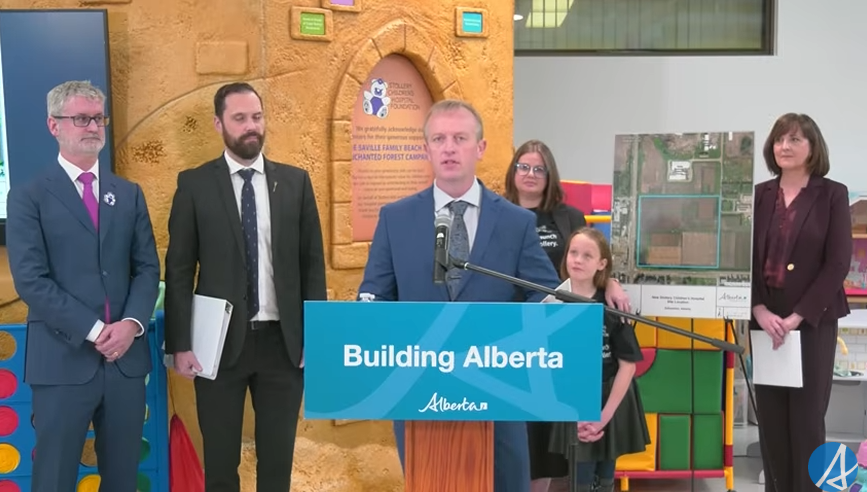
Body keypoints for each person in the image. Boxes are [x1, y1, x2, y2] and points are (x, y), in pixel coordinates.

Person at [357, 99, 562, 492]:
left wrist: (527, 329)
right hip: (421, 393)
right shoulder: (395, 218)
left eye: (460, 138)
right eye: (439, 139)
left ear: (480, 148)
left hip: (498, 392)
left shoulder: (517, 222)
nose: (449, 148)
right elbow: (374, 295)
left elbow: (544, 295)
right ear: (426, 149)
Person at [163, 82, 326, 492]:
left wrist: (316, 336)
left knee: (277, 467)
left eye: (256, 116)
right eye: (239, 118)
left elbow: (312, 266)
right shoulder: (195, 185)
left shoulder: (296, 183)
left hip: (283, 346)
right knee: (220, 467)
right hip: (218, 346)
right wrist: (180, 344)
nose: (251, 126)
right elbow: (179, 269)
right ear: (219, 124)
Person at [6, 80, 161, 492]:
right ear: (53, 125)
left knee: (123, 479)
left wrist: (131, 325)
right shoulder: (27, 197)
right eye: (81, 119)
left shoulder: (128, 194)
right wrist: (95, 331)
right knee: (54, 478)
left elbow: (148, 268)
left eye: (97, 118)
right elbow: (31, 280)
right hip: (62, 362)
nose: (92, 127)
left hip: (125, 363)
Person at [503, 140, 631, 492]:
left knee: (549, 430)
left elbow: (594, 256)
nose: (530, 174)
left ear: (550, 175)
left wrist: (613, 282)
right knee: (519, 427)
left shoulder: (569, 217)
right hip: (513, 331)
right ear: (513, 171)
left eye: (539, 169)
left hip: (562, 332)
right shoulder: (497, 213)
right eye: (523, 167)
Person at [750, 113, 851, 492]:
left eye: (794, 139)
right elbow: (743, 258)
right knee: (772, 423)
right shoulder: (759, 195)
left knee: (807, 423)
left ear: (813, 147)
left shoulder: (832, 194)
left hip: (811, 322)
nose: (784, 146)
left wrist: (797, 317)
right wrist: (759, 309)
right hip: (765, 322)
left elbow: (837, 262)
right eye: (779, 139)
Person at [542, 227, 649, 492]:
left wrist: (604, 416)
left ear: (602, 264)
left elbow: (628, 365)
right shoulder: (552, 303)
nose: (577, 260)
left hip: (609, 397)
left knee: (605, 476)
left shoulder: (611, 306)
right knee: (580, 476)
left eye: (587, 256)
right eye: (573, 253)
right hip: (571, 400)